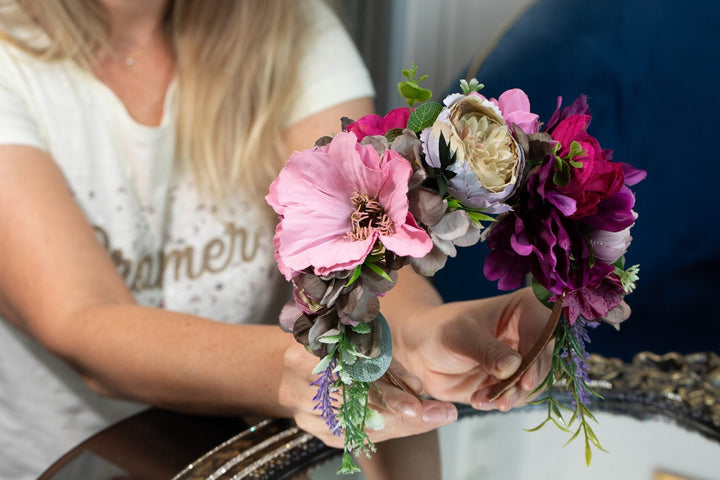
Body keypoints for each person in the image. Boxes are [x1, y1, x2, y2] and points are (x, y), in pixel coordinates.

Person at [0, 0, 552, 478]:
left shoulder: (288, 27)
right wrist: (296, 372)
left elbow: (370, 245)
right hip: (70, 463)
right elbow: (83, 321)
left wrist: (425, 333)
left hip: (257, 459)